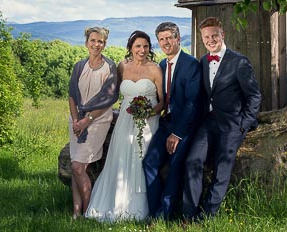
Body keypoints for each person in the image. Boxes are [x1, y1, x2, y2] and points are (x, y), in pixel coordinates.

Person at [182, 17, 262, 222]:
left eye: (214, 35)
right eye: (206, 37)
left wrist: (244, 124)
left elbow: (254, 96)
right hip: (208, 122)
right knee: (192, 161)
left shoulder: (239, 62)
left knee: (222, 169)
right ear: (202, 39)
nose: (210, 40)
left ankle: (206, 217)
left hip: (233, 123)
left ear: (222, 35)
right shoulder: (202, 61)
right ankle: (188, 215)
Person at [85, 30, 164, 222]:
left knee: (141, 160)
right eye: (138, 46)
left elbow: (163, 102)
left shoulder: (155, 69)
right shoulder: (122, 66)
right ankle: (116, 203)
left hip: (148, 122)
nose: (142, 50)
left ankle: (141, 208)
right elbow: (112, 94)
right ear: (130, 48)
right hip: (124, 121)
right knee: (119, 160)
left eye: (145, 46)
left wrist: (148, 113)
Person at [143, 22, 203, 220]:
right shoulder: (162, 65)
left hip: (184, 126)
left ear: (178, 38)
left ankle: (164, 215)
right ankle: (153, 212)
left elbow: (192, 103)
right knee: (149, 162)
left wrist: (177, 134)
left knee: (176, 164)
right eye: (162, 39)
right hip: (165, 122)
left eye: (169, 38)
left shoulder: (191, 64)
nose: (165, 42)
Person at [68, 27, 119, 219]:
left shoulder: (110, 67)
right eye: (93, 40)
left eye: (101, 42)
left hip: (97, 120)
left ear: (105, 44)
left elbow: (109, 99)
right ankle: (76, 212)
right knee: (76, 165)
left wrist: (87, 120)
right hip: (76, 120)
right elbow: (72, 95)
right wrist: (75, 120)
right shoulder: (79, 66)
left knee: (78, 167)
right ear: (86, 42)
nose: (96, 44)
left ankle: (88, 211)